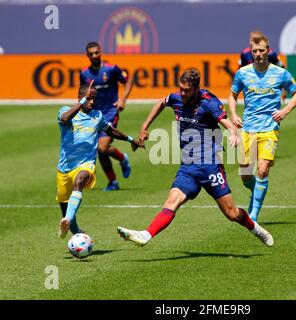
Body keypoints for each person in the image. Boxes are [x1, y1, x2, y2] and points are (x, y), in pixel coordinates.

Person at [117, 68, 274, 247]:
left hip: (210, 166)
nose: (182, 93)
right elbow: (162, 102)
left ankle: (256, 229)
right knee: (172, 201)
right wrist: (145, 126)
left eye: (187, 90)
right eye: (180, 88)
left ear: (196, 89)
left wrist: (233, 133)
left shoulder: (208, 102)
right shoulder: (176, 98)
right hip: (188, 166)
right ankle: (146, 235)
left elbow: (226, 122)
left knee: (231, 214)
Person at [228, 33, 296, 222]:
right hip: (248, 127)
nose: (258, 54)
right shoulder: (243, 73)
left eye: (262, 50)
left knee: (262, 169)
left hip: (270, 129)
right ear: (250, 52)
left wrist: (284, 111)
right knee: (245, 173)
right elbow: (232, 95)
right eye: (255, 51)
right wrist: (234, 114)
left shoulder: (280, 73)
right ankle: (257, 191)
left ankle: (253, 215)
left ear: (268, 50)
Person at [56, 81, 139, 239]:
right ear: (79, 97)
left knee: (80, 180)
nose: (92, 102)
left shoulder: (97, 116)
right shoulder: (65, 111)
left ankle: (67, 219)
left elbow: (111, 131)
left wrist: (130, 139)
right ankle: (77, 232)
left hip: (85, 164)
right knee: (67, 210)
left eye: (94, 98)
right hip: (64, 168)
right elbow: (65, 118)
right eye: (89, 98)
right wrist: (82, 102)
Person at [80, 41, 134, 191]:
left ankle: (123, 158)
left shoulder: (111, 69)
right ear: (87, 55)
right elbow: (82, 92)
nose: (94, 55)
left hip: (110, 113)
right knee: (99, 150)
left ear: (101, 52)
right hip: (93, 116)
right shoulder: (84, 73)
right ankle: (113, 182)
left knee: (102, 147)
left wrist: (123, 100)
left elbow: (128, 80)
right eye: (91, 54)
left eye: (96, 52)